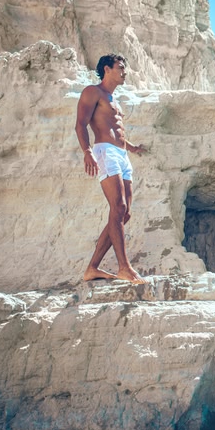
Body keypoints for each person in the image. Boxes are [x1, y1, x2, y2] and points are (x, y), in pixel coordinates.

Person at [75, 53, 147, 284]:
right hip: (104, 151)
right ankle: (124, 267)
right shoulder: (92, 92)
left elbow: (117, 133)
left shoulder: (114, 99)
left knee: (124, 213)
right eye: (121, 67)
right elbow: (80, 124)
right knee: (118, 205)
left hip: (122, 154)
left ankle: (92, 268)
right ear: (107, 69)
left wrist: (133, 148)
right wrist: (87, 152)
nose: (124, 72)